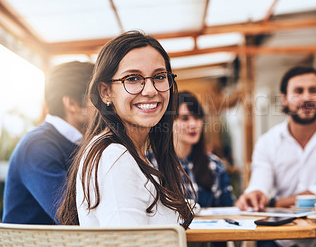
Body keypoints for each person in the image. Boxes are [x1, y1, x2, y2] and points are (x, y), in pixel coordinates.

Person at [57, 30, 194, 229]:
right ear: (105, 92)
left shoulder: (132, 153)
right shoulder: (114, 157)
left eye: (159, 76)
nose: (150, 90)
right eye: (132, 79)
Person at [236, 66, 316, 247]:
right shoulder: (267, 141)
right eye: (299, 91)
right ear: (284, 99)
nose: (307, 97)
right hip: (278, 238)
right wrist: (255, 194)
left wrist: (276, 202)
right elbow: (260, 183)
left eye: (313, 90)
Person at [2, 61, 95, 224]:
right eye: (98, 96)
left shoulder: (81, 143)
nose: (108, 104)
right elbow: (71, 218)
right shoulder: (37, 146)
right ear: (72, 104)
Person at [173, 91, 235, 207]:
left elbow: (229, 211)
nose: (193, 124)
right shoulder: (150, 164)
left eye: (197, 117)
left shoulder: (215, 166)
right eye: (185, 118)